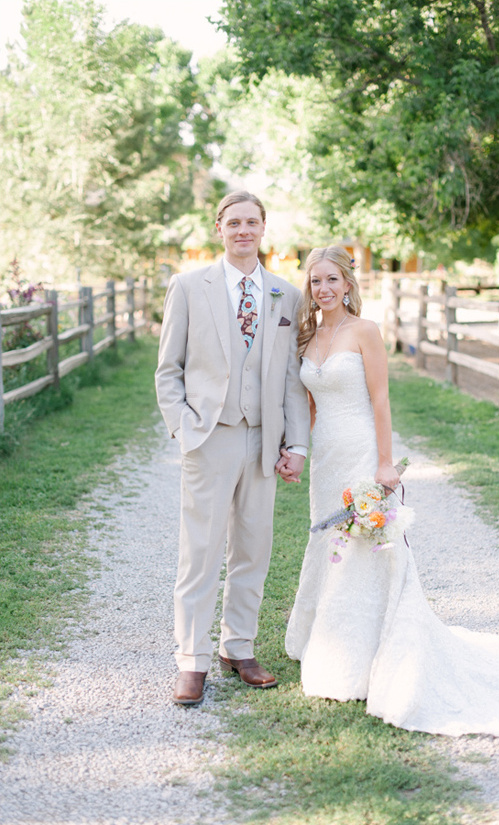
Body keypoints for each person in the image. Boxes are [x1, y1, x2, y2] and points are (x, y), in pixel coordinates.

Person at [284, 245, 499, 736]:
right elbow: (310, 406)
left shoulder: (365, 332)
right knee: (331, 543)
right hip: (327, 460)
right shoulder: (306, 335)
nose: (323, 289)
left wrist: (385, 463)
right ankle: (329, 647)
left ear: (347, 284)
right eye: (315, 281)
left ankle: (368, 659)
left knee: (369, 546)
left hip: (363, 450)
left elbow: (380, 400)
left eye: (331, 280)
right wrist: (298, 448)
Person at [155, 191, 310, 706]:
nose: (243, 230)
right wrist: (183, 427)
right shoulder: (188, 286)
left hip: (262, 439)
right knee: (199, 552)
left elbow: (291, 379)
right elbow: (168, 369)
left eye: (252, 222)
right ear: (218, 228)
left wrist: (296, 444)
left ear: (264, 229)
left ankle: (237, 647)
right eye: (234, 222)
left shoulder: (284, 295)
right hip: (209, 434)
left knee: (252, 548)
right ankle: (191, 660)